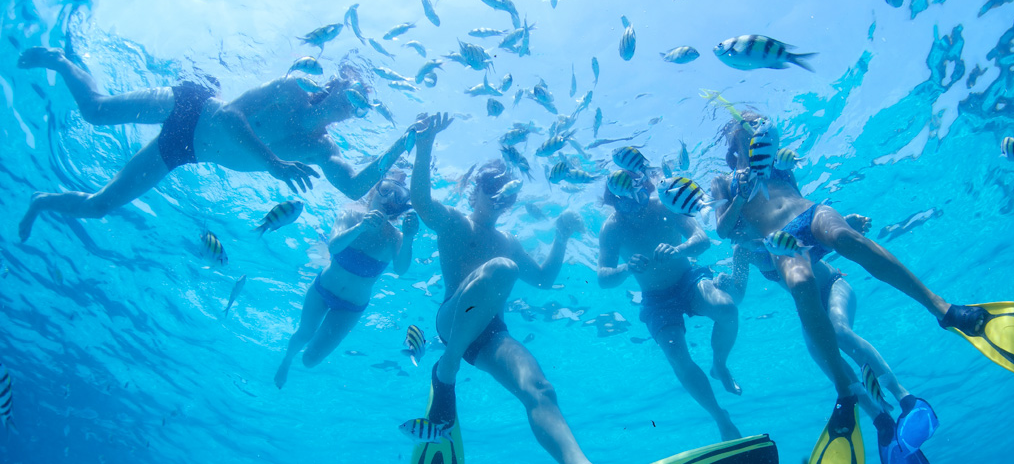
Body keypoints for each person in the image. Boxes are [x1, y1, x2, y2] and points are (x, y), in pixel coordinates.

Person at [709, 111, 1014, 463]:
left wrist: (773, 151)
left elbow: (792, 197)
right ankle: (860, 401)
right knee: (803, 286)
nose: (754, 134)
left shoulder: (775, 162)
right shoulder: (725, 183)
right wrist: (740, 196)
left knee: (846, 238)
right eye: (746, 133)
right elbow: (722, 230)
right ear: (732, 150)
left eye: (756, 130)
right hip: (781, 241)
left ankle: (944, 311)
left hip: (810, 215)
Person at [16, 47, 408, 241]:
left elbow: (355, 186)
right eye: (352, 92)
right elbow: (227, 117)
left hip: (188, 152)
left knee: (100, 206)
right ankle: (61, 61)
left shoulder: (322, 149)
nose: (350, 106)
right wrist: (271, 162)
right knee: (95, 112)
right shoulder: (291, 89)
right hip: (191, 108)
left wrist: (401, 146)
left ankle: (41, 200)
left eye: (361, 106)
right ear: (336, 82)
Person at [408, 113, 592, 464]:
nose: (497, 197)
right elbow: (420, 200)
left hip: (491, 334)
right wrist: (424, 143)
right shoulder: (454, 222)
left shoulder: (509, 241)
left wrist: (562, 235)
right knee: (503, 269)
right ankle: (448, 367)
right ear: (474, 189)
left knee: (541, 389)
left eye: (504, 193)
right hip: (452, 320)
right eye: (489, 187)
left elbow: (543, 279)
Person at [718, 216, 931, 463]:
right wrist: (724, 286)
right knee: (821, 355)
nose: (733, 235)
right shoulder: (741, 252)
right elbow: (738, 294)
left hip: (833, 286)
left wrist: (846, 222)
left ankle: (904, 397)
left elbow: (816, 227)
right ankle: (881, 420)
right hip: (811, 311)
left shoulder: (770, 226)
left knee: (838, 331)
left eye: (734, 226)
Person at [596, 172, 743, 442]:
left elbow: (702, 238)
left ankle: (719, 364)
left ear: (646, 189)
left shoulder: (666, 205)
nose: (635, 209)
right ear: (614, 202)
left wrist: (680, 250)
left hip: (689, 279)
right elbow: (603, 277)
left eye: (639, 198)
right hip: (655, 297)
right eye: (624, 204)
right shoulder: (612, 228)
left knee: (727, 309)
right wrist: (626, 268)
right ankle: (720, 417)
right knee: (676, 356)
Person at [274, 172, 418, 389]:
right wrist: (360, 227)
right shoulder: (350, 215)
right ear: (373, 193)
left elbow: (401, 269)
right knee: (304, 333)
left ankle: (299, 359)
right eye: (385, 190)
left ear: (398, 208)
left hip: (351, 307)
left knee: (310, 360)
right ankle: (286, 361)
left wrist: (409, 236)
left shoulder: (395, 238)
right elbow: (333, 246)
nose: (389, 198)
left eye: (397, 196)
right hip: (322, 289)